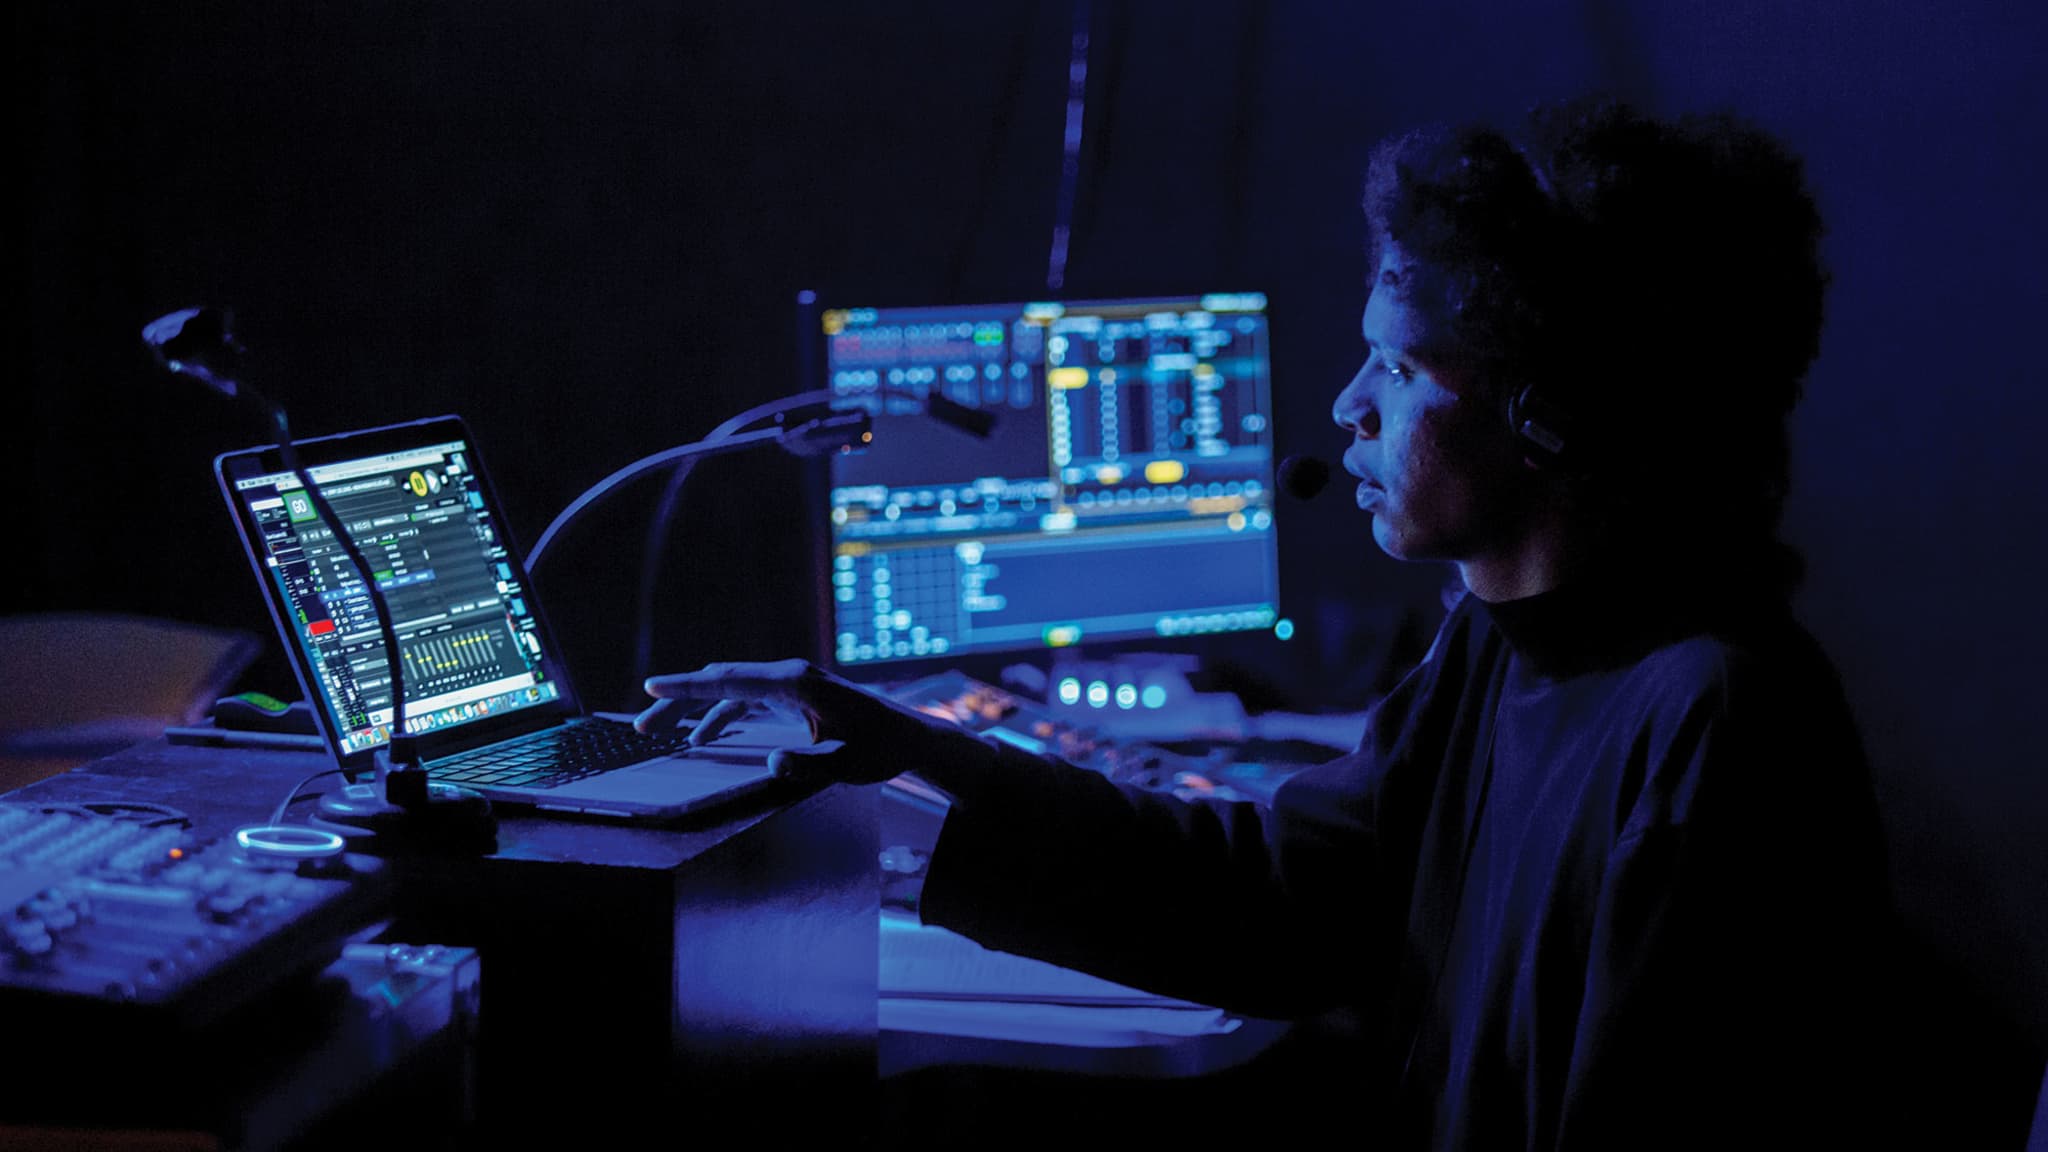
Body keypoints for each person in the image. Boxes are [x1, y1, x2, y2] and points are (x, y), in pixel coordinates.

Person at [636, 96, 1902, 1148]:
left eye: (1400, 369)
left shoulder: (1714, 724)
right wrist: (906, 760)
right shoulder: (1498, 645)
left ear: (1549, 413)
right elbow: (1283, 903)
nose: (1348, 404)